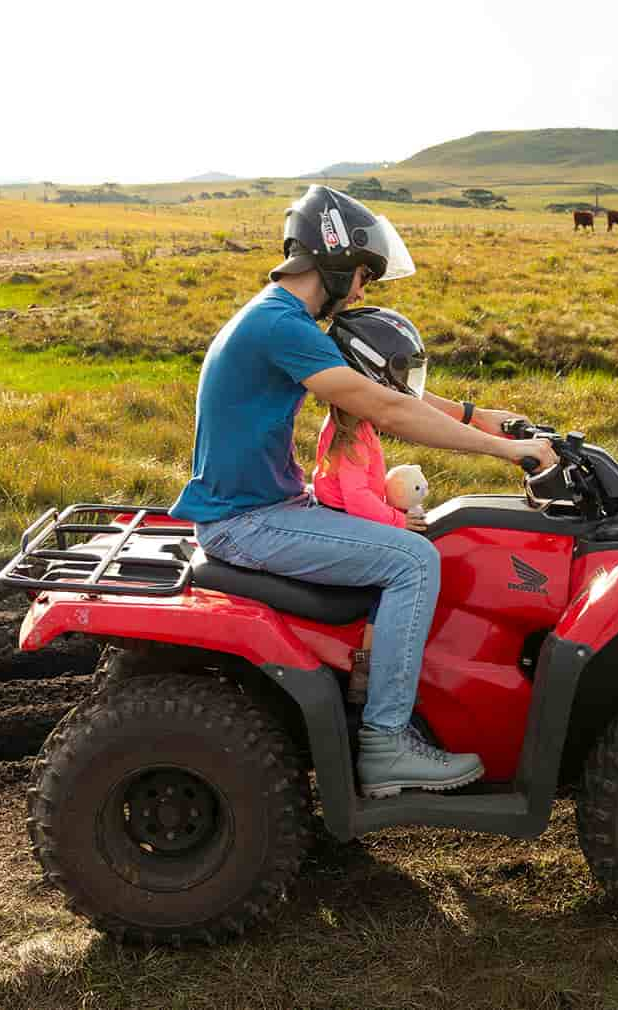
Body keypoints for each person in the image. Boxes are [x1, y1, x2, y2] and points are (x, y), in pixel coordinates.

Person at [169, 185, 556, 799]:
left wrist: (485, 417)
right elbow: (381, 405)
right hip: (247, 521)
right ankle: (386, 743)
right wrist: (504, 452)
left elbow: (388, 386)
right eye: (364, 277)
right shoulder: (279, 324)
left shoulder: (279, 317)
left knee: (422, 541)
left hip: (269, 506)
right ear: (337, 262)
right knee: (414, 560)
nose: (363, 291)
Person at [311, 308, 433, 711]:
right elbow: (357, 499)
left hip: (344, 511)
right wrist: (398, 521)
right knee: (400, 572)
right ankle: (366, 673)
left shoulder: (354, 424)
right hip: (341, 517)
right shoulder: (352, 435)